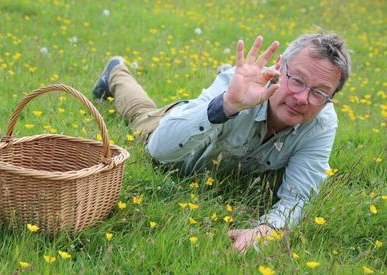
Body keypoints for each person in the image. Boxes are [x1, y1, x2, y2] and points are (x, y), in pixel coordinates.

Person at [92, 32, 351, 252]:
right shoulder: (239, 84)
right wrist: (227, 105)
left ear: (330, 98)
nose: (303, 98)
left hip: (212, 162)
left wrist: (267, 229)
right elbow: (158, 149)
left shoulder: (321, 122)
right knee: (140, 113)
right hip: (179, 134)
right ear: (280, 68)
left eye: (318, 92)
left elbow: (299, 197)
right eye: (297, 80)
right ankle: (116, 71)